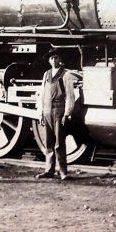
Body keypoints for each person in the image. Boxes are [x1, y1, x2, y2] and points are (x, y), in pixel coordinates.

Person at [34, 49, 79, 181]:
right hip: (47, 110)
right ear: (49, 61)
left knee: (59, 142)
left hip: (59, 110)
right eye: (51, 58)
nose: (54, 60)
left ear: (60, 60)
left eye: (56, 57)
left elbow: (70, 96)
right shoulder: (46, 74)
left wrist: (67, 113)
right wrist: (40, 112)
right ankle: (49, 170)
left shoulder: (66, 75)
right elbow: (42, 94)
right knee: (48, 142)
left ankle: (63, 171)